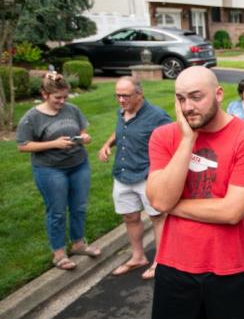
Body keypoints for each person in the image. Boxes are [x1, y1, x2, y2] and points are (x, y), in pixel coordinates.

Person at [146, 66, 244, 319]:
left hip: (232, 266)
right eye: (180, 99)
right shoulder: (164, 137)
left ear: (218, 94)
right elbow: (160, 200)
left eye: (196, 97)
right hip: (176, 265)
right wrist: (188, 140)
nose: (187, 107)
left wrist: (172, 205)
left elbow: (231, 211)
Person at [17, 72, 101, 271]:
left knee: (79, 207)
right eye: (57, 98)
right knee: (57, 212)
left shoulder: (72, 109)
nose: (62, 101)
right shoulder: (32, 117)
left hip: (78, 164)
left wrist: (85, 138)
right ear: (45, 94)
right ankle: (59, 253)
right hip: (50, 169)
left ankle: (79, 244)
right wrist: (53, 144)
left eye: (64, 97)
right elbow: (23, 145)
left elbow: (82, 132)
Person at [99, 76, 171, 279]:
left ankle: (161, 261)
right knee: (130, 217)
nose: (121, 100)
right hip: (122, 174)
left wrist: (161, 170)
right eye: (118, 96)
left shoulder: (157, 116)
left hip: (147, 175)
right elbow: (121, 131)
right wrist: (107, 144)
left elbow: (173, 139)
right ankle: (138, 256)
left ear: (139, 94)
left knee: (157, 217)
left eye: (126, 96)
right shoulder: (122, 112)